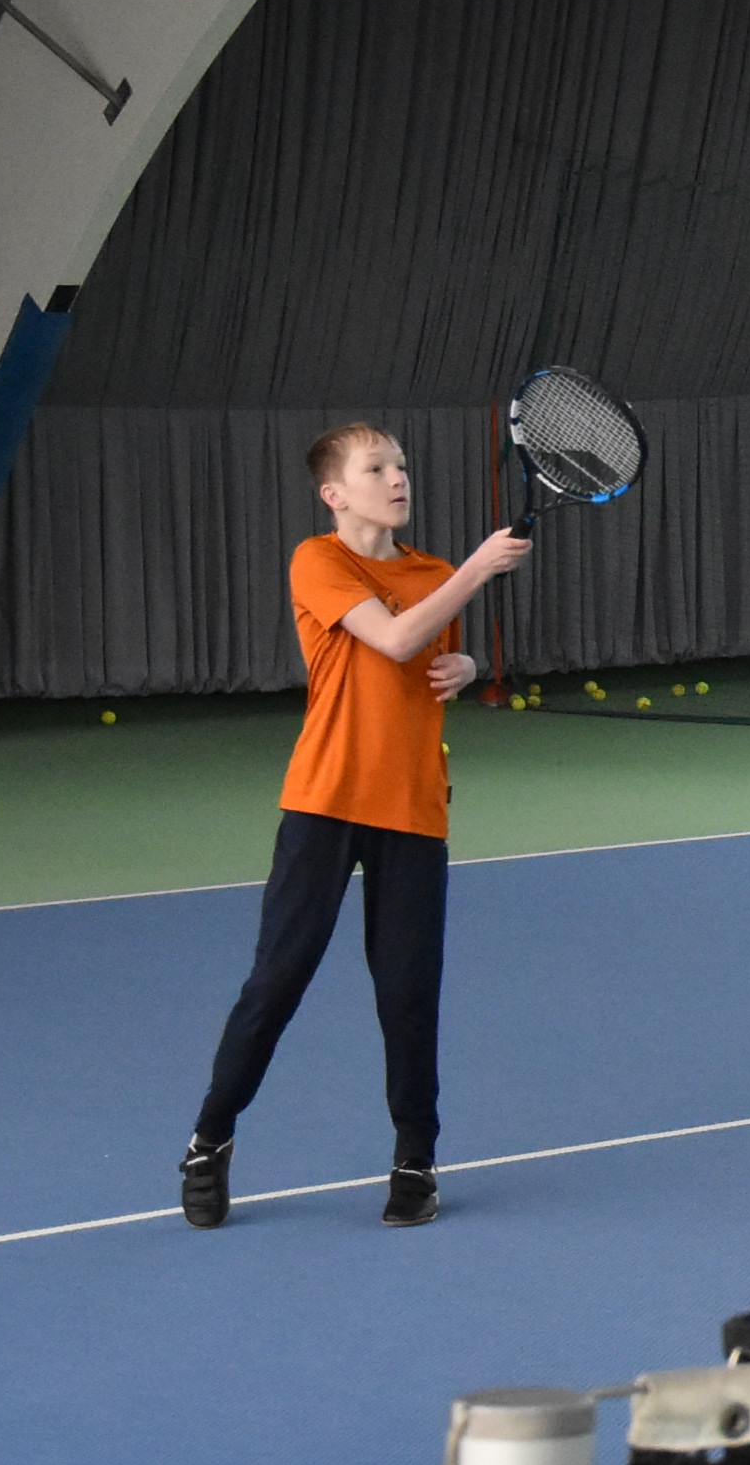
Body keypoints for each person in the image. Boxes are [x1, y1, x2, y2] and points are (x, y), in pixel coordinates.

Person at [178, 426, 527, 1230]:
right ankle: (209, 1139)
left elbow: (427, 660)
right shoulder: (318, 560)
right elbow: (395, 637)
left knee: (408, 994)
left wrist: (470, 666)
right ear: (334, 494)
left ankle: (415, 1161)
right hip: (324, 803)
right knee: (276, 982)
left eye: (401, 464)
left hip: (412, 809)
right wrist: (479, 569)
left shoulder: (432, 573)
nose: (397, 477)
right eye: (376, 468)